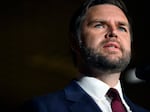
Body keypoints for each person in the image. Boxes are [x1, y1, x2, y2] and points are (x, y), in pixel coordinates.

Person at [18, 0, 150, 112]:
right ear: (75, 42)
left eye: (122, 28)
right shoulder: (42, 108)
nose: (113, 32)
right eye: (99, 25)